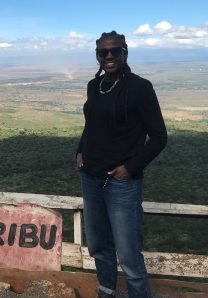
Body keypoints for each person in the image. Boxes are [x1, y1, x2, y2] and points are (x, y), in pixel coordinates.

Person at [76, 31, 167, 298]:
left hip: (121, 183)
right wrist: (79, 151)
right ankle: (106, 291)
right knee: (98, 245)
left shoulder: (140, 87)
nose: (110, 56)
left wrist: (130, 168)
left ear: (125, 52)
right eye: (103, 52)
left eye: (115, 51)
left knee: (127, 252)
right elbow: (91, 125)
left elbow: (159, 137)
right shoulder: (95, 86)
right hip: (90, 178)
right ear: (97, 56)